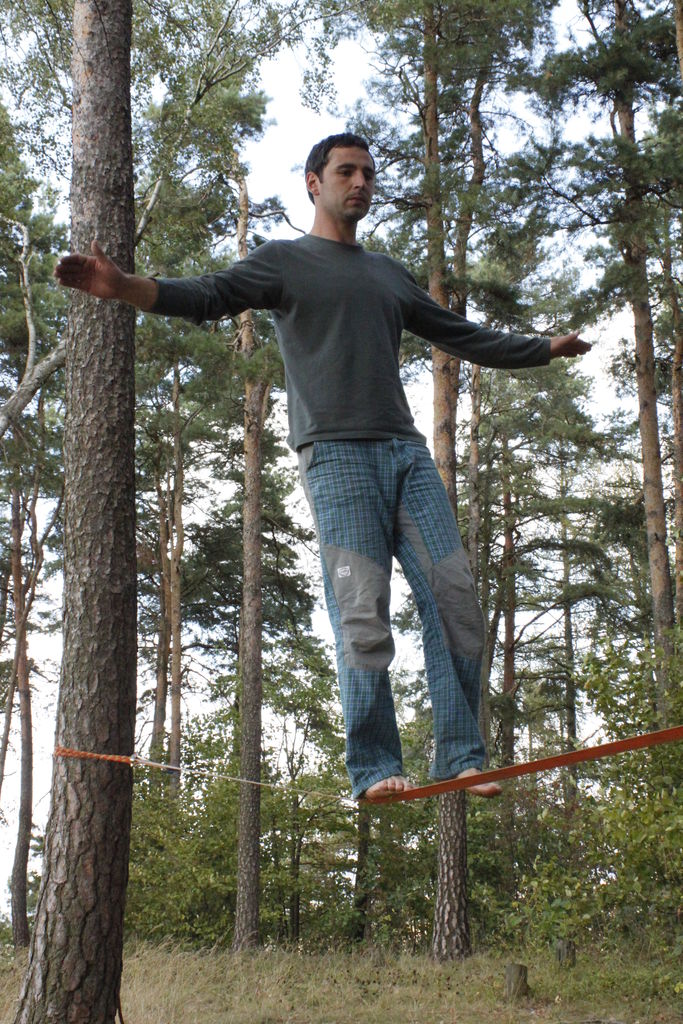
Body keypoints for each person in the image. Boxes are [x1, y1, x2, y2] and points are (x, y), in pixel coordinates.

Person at [55, 132, 591, 802]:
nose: (360, 182)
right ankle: (373, 768)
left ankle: (461, 755)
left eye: (368, 173)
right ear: (314, 182)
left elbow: (461, 334)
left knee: (453, 597)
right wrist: (125, 287)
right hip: (335, 457)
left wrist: (540, 348)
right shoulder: (281, 262)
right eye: (346, 172)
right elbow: (207, 294)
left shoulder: (388, 274)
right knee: (362, 613)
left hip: (404, 453)